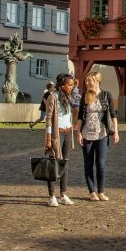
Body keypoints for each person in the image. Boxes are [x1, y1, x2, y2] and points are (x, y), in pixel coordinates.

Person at [79, 69, 119, 201]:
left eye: (89, 80)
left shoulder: (106, 95)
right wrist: (78, 133)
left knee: (101, 164)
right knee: (88, 164)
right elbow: (80, 117)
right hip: (86, 133)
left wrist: (116, 132)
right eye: (86, 81)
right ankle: (92, 191)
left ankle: (101, 191)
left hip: (102, 133)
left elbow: (113, 115)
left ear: (97, 82)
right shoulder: (84, 96)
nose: (87, 83)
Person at [42, 72, 78, 207]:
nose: (72, 87)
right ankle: (51, 196)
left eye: (72, 84)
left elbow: (72, 113)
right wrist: (48, 139)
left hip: (68, 132)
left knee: (64, 163)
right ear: (62, 85)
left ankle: (63, 194)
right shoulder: (53, 97)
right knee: (53, 163)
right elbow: (49, 120)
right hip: (56, 135)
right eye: (69, 85)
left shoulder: (69, 96)